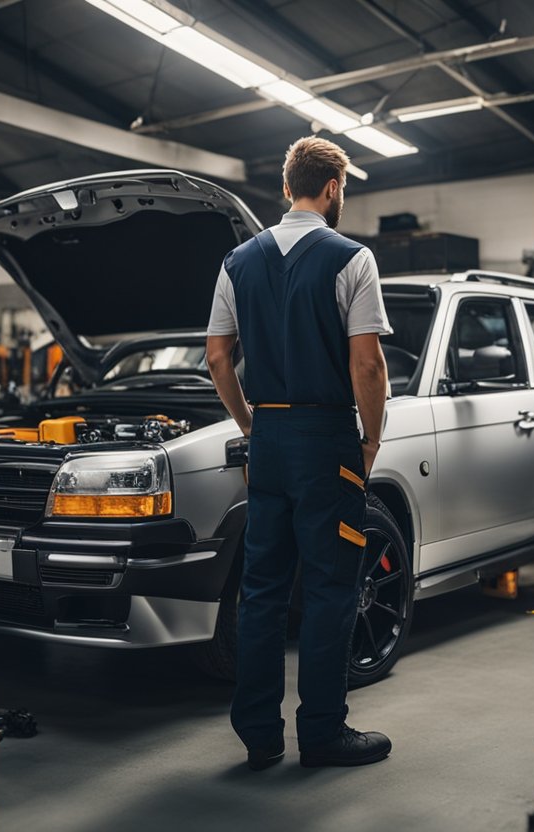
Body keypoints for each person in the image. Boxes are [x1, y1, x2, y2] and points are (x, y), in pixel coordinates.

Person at [205, 137, 392, 770]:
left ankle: (258, 735)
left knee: (261, 591)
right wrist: (369, 439)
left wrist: (250, 423)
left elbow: (216, 356)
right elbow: (366, 363)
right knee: (331, 589)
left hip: (271, 441)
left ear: (288, 187)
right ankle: (321, 733)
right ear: (334, 187)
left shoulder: (236, 261)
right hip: (327, 438)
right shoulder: (353, 259)